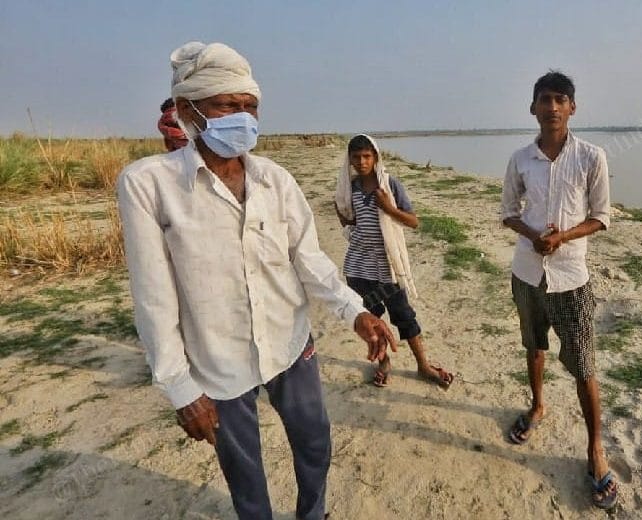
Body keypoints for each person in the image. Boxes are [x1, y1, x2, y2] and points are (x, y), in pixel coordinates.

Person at [117, 41, 397, 520]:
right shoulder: (149, 184)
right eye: (228, 105)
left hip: (290, 343)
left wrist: (356, 312)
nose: (242, 117)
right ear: (188, 110)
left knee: (314, 441)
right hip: (216, 358)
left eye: (250, 107)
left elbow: (308, 259)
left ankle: (314, 512)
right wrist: (180, 388)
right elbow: (153, 297)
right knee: (243, 471)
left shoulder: (275, 179)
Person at [500, 71, 617, 509]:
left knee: (584, 364)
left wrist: (562, 237)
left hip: (572, 278)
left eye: (560, 99)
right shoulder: (520, 159)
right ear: (533, 108)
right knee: (533, 347)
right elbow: (508, 211)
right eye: (544, 100)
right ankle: (537, 407)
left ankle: (595, 449)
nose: (551, 107)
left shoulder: (592, 157)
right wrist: (532, 235)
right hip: (527, 273)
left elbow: (602, 216)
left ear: (572, 108)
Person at [333, 134, 453, 389]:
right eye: (356, 157)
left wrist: (388, 208)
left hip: (387, 266)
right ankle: (383, 362)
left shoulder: (390, 186)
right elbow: (346, 218)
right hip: (358, 267)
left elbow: (413, 221)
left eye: (367, 156)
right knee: (369, 318)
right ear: (350, 160)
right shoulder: (349, 188)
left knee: (404, 315)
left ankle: (423, 365)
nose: (362, 162)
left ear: (375, 157)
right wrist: (347, 224)